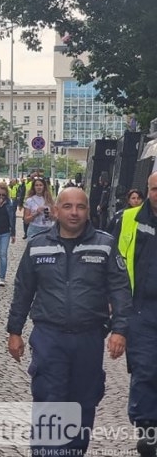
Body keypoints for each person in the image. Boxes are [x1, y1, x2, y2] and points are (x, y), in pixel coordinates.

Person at [7, 187, 132, 457]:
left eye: (80, 207)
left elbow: (120, 289)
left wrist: (120, 330)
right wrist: (14, 331)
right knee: (49, 399)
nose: (74, 213)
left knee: (83, 403)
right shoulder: (38, 245)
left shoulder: (105, 245)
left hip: (88, 339)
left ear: (88, 211)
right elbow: (23, 290)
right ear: (56, 210)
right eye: (68, 207)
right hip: (49, 337)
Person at [116, 172, 157, 456]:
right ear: (147, 190)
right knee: (144, 368)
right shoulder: (129, 218)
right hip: (141, 308)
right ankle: (146, 429)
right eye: (156, 189)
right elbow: (116, 261)